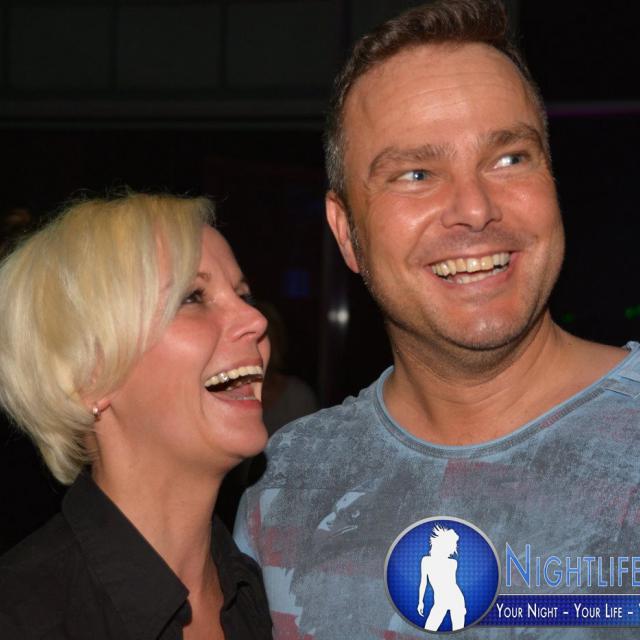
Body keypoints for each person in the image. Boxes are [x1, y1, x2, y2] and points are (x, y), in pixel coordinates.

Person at [234, 1, 640, 638]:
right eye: (417, 173)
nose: (475, 208)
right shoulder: (286, 490)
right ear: (346, 232)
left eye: (510, 158)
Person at [0, 192, 273, 639]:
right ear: (90, 374)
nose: (255, 319)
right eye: (193, 296)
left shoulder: (270, 596)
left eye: (244, 295)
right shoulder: (22, 617)